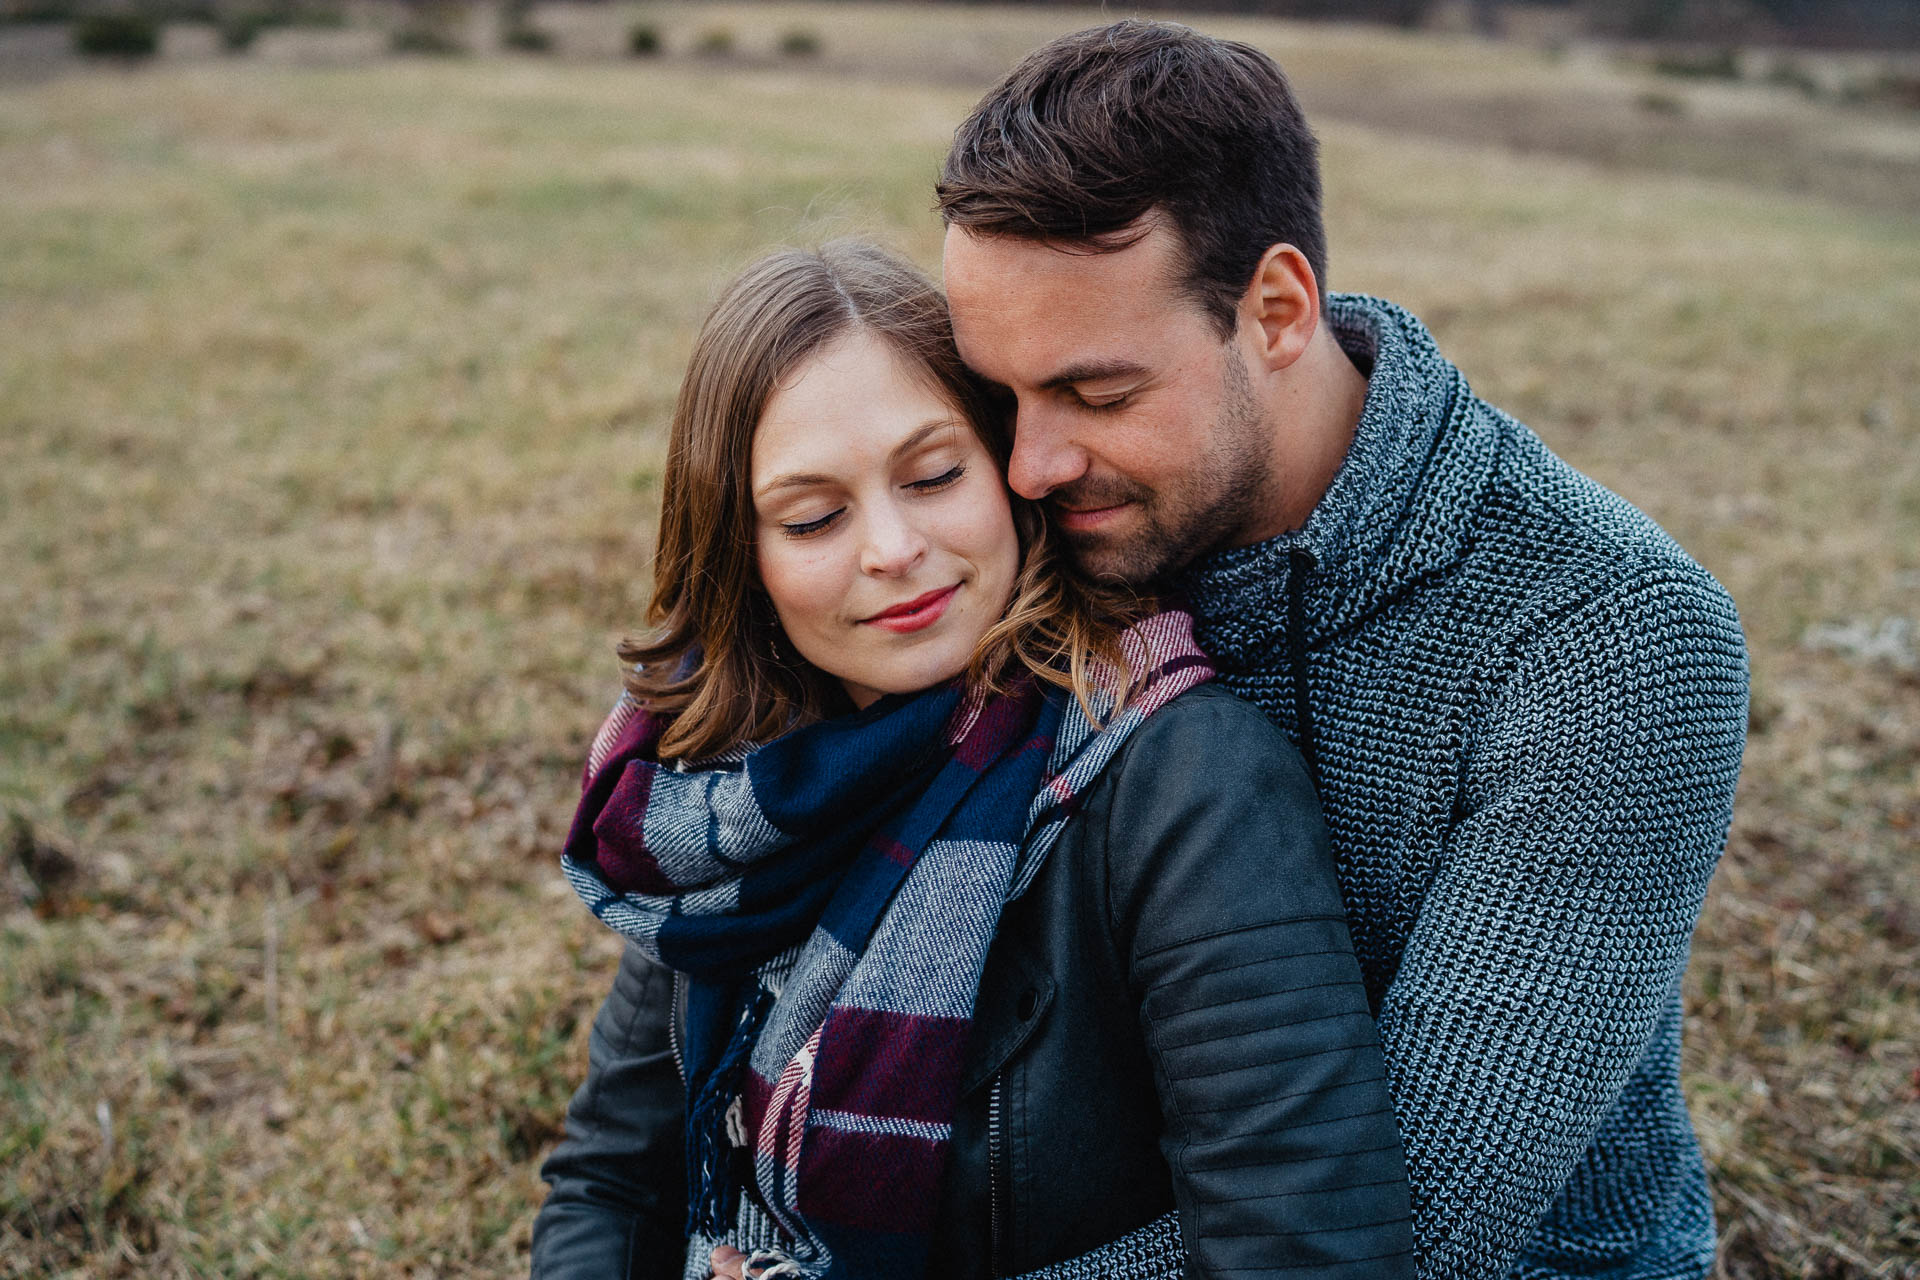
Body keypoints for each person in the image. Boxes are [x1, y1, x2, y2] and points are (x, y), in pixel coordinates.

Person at [932, 19, 1750, 1280]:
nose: (1031, 464)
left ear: (1275, 309)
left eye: (1097, 395)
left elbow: (1408, 1225)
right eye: (1002, 395)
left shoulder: (1613, 638)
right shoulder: (1046, 526)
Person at [531, 241, 1418, 1280]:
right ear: (744, 552)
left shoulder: (1185, 778)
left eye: (935, 473)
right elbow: (609, 1183)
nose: (893, 546)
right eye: (814, 515)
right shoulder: (725, 796)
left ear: (1009, 469)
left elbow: (1300, 1244)